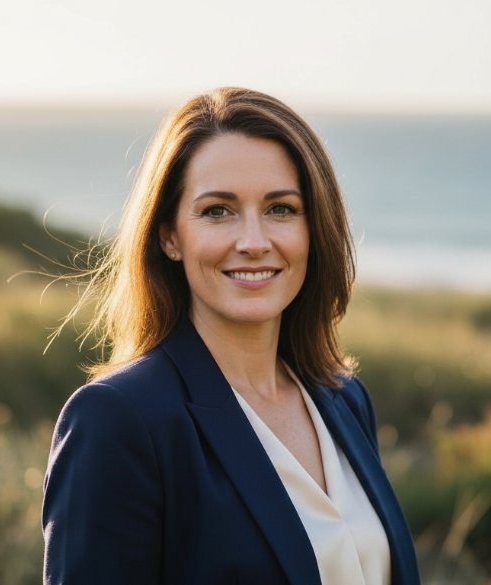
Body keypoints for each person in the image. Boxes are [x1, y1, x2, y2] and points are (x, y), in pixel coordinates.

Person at [41, 87, 420, 585]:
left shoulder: (344, 397)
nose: (254, 242)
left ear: (314, 228)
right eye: (218, 211)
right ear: (169, 236)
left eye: (281, 209)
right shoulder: (119, 420)